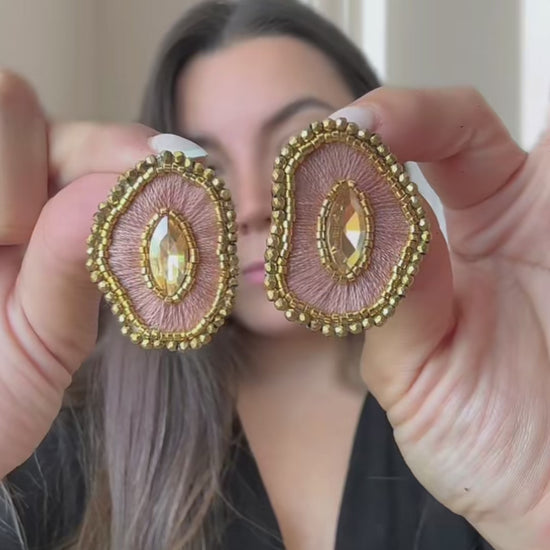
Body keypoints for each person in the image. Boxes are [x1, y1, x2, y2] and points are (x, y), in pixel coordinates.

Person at [0, 0, 548, 548]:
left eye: (297, 147)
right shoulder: (62, 433)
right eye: (206, 168)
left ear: (380, 161)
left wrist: (535, 504)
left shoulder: (485, 398)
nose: (252, 205)